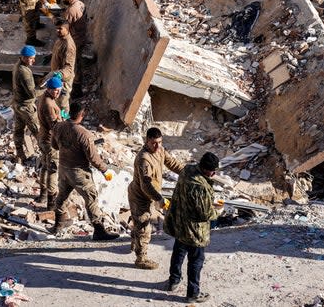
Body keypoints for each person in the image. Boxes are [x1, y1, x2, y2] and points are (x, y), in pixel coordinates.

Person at [52, 103, 120, 240]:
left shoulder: (58, 127)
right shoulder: (84, 134)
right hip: (79, 173)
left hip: (63, 169)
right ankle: (99, 231)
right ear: (82, 115)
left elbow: (55, 145)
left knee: (62, 197)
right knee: (91, 199)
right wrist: (105, 170)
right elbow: (93, 158)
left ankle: (57, 225)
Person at [165, 151, 220, 300]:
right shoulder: (199, 186)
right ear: (206, 169)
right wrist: (218, 212)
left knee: (178, 251)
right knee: (196, 260)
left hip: (180, 223)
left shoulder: (187, 170)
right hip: (194, 230)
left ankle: (173, 281)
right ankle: (193, 293)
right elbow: (205, 214)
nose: (214, 173)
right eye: (212, 171)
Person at [129, 127, 185, 270]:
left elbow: (172, 163)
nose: (157, 146)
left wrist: (187, 172)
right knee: (144, 227)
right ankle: (141, 259)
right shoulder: (144, 159)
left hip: (150, 195)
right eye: (154, 143)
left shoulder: (160, 150)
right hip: (140, 196)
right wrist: (159, 198)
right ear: (147, 141)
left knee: (141, 223)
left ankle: (135, 240)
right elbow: (145, 185)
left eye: (159, 142)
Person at [36, 77, 62, 209]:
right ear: (48, 89)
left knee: (45, 167)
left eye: (58, 90)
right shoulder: (49, 104)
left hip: (43, 138)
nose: (56, 93)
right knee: (52, 170)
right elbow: (54, 126)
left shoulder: (44, 98)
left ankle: (43, 194)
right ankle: (51, 202)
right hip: (50, 141)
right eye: (54, 91)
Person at [11, 46, 39, 162]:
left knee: (18, 130)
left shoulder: (18, 65)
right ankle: (49, 158)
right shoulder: (24, 72)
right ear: (23, 57)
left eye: (33, 58)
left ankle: (20, 155)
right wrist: (47, 87)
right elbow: (32, 94)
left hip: (18, 104)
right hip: (26, 107)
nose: (33, 61)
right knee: (38, 132)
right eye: (30, 59)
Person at [51, 19, 77, 110]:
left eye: (60, 29)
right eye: (56, 28)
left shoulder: (68, 45)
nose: (57, 31)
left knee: (62, 104)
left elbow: (68, 68)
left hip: (63, 80)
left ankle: (64, 120)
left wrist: (58, 75)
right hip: (57, 76)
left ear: (67, 29)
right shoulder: (60, 39)